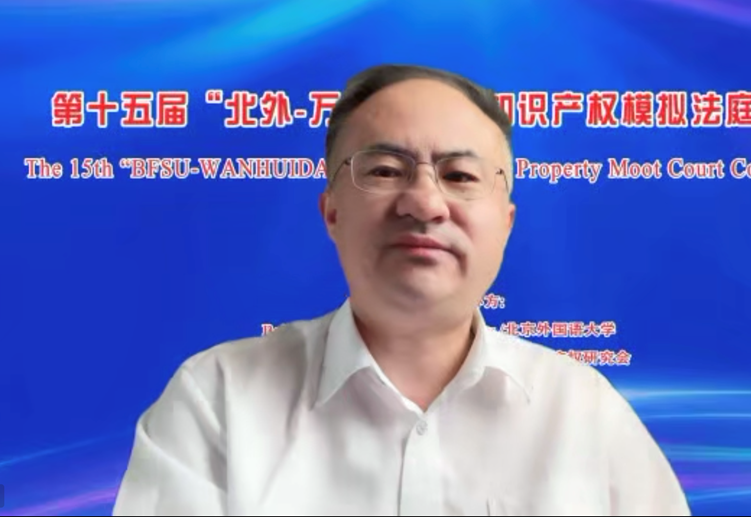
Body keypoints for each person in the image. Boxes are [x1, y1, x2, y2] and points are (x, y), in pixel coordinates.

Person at [113, 64, 690, 516]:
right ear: (331, 211)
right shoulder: (218, 400)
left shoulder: (584, 413)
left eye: (460, 176)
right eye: (386, 170)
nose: (425, 203)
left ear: (506, 223)